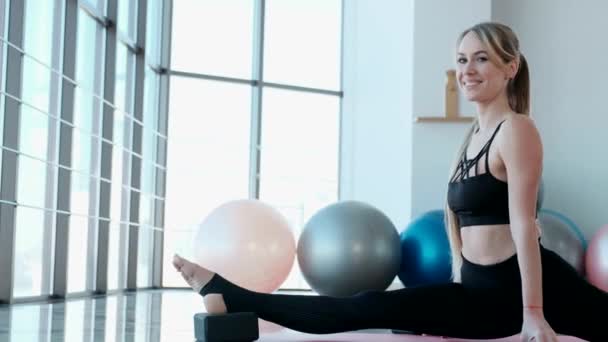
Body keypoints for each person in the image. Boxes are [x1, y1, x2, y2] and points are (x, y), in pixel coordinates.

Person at [172, 22, 607, 342]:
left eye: (482, 58)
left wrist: (534, 312)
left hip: (533, 292)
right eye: (461, 59)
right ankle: (229, 293)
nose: (468, 69)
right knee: (365, 305)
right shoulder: (471, 138)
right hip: (479, 293)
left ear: (510, 67)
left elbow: (523, 227)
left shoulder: (517, 130)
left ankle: (228, 293)